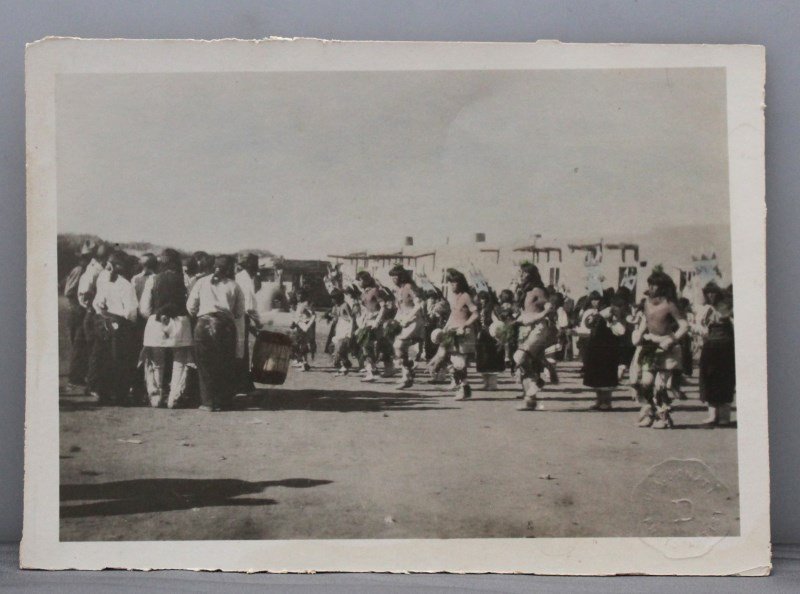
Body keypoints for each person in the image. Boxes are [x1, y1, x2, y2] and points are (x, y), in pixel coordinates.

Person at [631, 271, 689, 429]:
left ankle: (664, 417)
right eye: (650, 283)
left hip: (667, 348)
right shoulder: (646, 302)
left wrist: (671, 340)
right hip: (650, 347)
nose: (651, 287)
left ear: (663, 287)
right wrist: (639, 334)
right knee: (645, 383)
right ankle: (651, 413)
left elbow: (684, 326)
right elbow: (646, 320)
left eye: (655, 284)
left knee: (660, 385)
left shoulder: (670, 303)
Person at [187, 255, 244, 412]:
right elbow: (239, 312)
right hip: (225, 327)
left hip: (203, 325)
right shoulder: (234, 286)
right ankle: (224, 401)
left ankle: (208, 402)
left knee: (205, 364)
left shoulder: (201, 283)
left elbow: (190, 307)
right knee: (225, 364)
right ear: (229, 270)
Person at [138, 249, 194, 408]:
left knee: (156, 362)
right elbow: (191, 306)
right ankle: (174, 398)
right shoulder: (186, 280)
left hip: (156, 324)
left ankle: (155, 397)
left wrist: (157, 314)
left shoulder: (152, 279)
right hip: (180, 323)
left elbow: (144, 309)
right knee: (180, 362)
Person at [88, 251, 139, 404]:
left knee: (104, 357)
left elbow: (97, 302)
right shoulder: (125, 285)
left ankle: (103, 392)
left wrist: (101, 309)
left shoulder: (106, 280)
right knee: (118, 359)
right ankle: (118, 394)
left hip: (103, 321)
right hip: (118, 324)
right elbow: (131, 312)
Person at [513, 263, 555, 411]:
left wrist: (540, 315)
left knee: (520, 358)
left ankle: (538, 381)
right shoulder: (525, 291)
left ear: (531, 275)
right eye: (520, 273)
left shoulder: (538, 290)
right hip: (524, 328)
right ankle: (529, 400)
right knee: (525, 364)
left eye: (524, 273)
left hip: (537, 328)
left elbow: (549, 308)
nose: (521, 276)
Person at [698, 283, 736, 427]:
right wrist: (701, 329)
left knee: (725, 380)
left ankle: (724, 417)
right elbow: (699, 326)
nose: (711, 295)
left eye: (713, 293)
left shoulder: (727, 307)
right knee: (709, 379)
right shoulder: (705, 309)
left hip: (725, 347)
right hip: (710, 348)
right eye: (708, 293)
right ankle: (712, 415)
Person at [78, 242, 111, 397]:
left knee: (98, 351)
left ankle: (95, 384)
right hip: (93, 314)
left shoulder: (101, 270)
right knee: (95, 351)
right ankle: (93, 386)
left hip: (96, 313)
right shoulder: (93, 271)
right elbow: (84, 294)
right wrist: (91, 307)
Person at [441, 268, 479, 401]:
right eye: (450, 283)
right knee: (450, 360)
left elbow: (475, 314)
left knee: (459, 363)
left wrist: (464, 325)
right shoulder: (454, 297)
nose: (452, 285)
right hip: (452, 332)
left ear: (460, 283)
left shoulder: (466, 296)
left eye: (454, 283)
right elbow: (453, 314)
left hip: (464, 334)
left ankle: (464, 388)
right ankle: (464, 386)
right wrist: (446, 327)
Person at [581, 300, 624, 410]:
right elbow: (589, 325)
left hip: (607, 348)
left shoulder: (611, 312)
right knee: (597, 378)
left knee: (606, 377)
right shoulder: (595, 314)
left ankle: (607, 402)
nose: (594, 302)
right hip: (596, 347)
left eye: (596, 300)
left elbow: (617, 329)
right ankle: (599, 401)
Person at [388, 264, 424, 389]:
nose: (393, 279)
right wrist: (395, 321)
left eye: (395, 276)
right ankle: (407, 374)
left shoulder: (409, 287)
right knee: (399, 348)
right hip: (403, 319)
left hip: (413, 320)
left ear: (402, 276)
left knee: (398, 345)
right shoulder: (398, 290)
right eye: (392, 277)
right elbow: (400, 308)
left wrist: (408, 318)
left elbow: (419, 305)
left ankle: (408, 372)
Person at [355, 270, 391, 383]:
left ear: (366, 280)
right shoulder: (363, 293)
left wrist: (377, 321)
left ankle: (377, 369)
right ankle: (372, 370)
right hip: (367, 322)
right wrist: (362, 321)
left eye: (359, 280)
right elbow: (365, 309)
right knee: (367, 346)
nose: (358, 282)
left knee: (375, 346)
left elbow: (383, 307)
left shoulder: (375, 291)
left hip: (376, 322)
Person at [64, 251, 91, 391]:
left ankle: (78, 376)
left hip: (78, 311)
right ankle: (75, 378)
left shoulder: (82, 270)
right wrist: (80, 308)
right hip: (77, 312)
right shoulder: (79, 270)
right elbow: (69, 292)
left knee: (80, 344)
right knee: (78, 344)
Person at [475, 290, 505, 390]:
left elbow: (497, 322)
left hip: (491, 337)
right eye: (480, 299)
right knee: (483, 361)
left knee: (491, 360)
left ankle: (492, 384)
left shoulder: (491, 309)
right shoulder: (479, 309)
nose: (481, 301)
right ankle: (486, 383)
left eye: (483, 299)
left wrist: (497, 335)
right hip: (482, 337)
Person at [329, 288, 355, 376]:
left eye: (333, 298)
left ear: (338, 298)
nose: (332, 300)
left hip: (346, 329)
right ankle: (344, 366)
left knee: (341, 348)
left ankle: (345, 365)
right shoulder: (337, 306)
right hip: (340, 328)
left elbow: (351, 319)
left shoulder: (345, 305)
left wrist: (350, 332)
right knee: (336, 348)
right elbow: (337, 317)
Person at [290, 287, 316, 371]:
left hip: (304, 327)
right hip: (299, 326)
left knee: (303, 344)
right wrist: (294, 323)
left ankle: (305, 364)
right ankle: (300, 361)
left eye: (299, 294)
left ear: (303, 295)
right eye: (297, 294)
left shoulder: (306, 304)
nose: (298, 296)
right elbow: (298, 316)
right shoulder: (299, 304)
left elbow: (313, 316)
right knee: (296, 343)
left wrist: (308, 326)